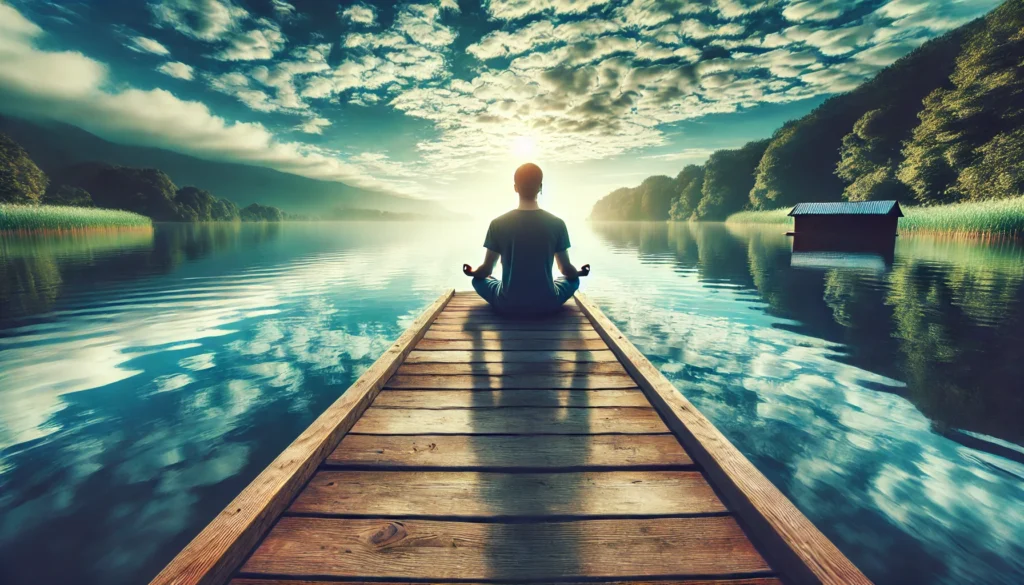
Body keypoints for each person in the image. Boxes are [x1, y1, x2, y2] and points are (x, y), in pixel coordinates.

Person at [462, 163, 590, 315]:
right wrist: (580, 272)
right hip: (547, 303)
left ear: (515, 188)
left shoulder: (497, 224)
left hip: (507, 304)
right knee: (572, 280)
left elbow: (486, 270)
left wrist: (471, 272)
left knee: (479, 280)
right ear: (540, 187)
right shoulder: (557, 224)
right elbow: (566, 269)